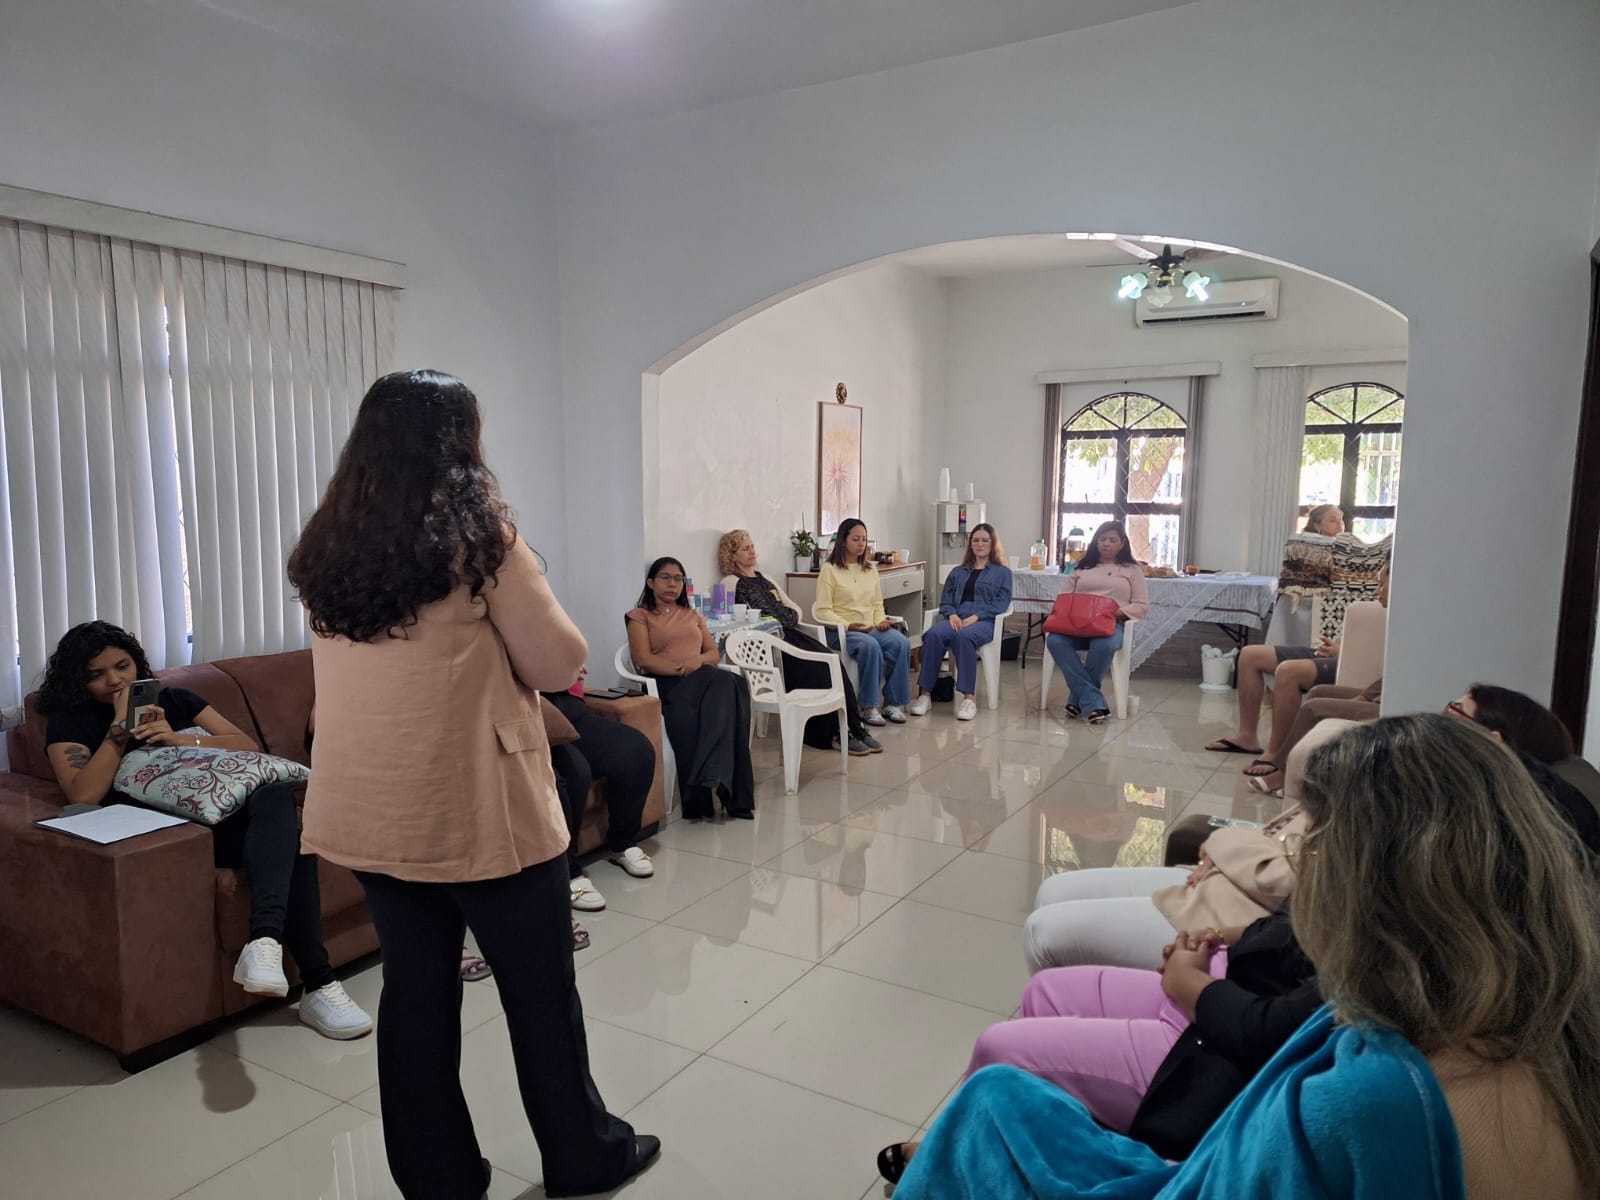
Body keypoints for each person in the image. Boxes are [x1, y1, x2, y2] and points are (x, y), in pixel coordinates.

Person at [890, 715, 1600, 1199]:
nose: (1303, 858)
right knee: (1024, 1035)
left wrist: (1193, 987)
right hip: (1223, 998)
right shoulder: (1518, 1017)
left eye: (1318, 841)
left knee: (994, 1094)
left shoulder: (1374, 1100)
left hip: (1211, 1061)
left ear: (1377, 882)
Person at [287, 370, 656, 1199]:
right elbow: (561, 662)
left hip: (370, 807)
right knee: (540, 994)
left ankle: (439, 1178)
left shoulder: (328, 545)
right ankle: (584, 1156)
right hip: (472, 807)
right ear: (461, 444)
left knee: (415, 998)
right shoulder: (478, 541)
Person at [1024, 680, 1600, 976]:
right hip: (1243, 878)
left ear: (1492, 745)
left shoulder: (1440, 825)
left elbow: (1294, 878)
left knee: (1045, 930)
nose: (1436, 715)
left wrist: (1222, 846)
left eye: (1455, 714)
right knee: (1051, 890)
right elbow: (1294, 841)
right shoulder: (1431, 787)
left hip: (1250, 915)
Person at [38, 621, 373, 1041]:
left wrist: (179, 740)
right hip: (179, 837)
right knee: (288, 838)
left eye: (122, 666)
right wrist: (120, 730)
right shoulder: (70, 721)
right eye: (96, 674)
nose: (114, 680)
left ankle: (267, 945)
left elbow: (246, 746)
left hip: (232, 821)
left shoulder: (175, 699)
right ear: (77, 679)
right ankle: (318, 983)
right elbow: (83, 793)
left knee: (275, 800)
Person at [877, 910, 1319, 1180]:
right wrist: (1213, 937)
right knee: (1044, 991)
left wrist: (1188, 980)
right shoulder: (1344, 872)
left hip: (1217, 1045)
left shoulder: (1371, 949)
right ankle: (1036, 1141)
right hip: (1224, 978)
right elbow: (1289, 922)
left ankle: (950, 1159)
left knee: (999, 1048)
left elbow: (1267, 1030)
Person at [1206, 562, 1387, 774]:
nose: (1377, 590)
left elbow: (1377, 657)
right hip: (1336, 652)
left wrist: (1341, 651)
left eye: (1382, 583)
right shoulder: (1380, 608)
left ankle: (1276, 752)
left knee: (1288, 671)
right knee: (1250, 655)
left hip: (1346, 660)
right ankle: (1247, 736)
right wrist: (1337, 645)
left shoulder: (1405, 616)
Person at [719, 528, 881, 755]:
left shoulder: (764, 578)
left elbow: (795, 610)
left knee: (833, 662)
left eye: (752, 546)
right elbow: (751, 617)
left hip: (790, 634)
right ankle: (831, 734)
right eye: (745, 548)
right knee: (821, 669)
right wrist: (784, 616)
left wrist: (786, 616)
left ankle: (855, 727)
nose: (752, 551)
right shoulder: (731, 582)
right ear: (732, 555)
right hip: (770, 644)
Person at [626, 556, 755, 819]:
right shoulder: (639, 616)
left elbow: (711, 654)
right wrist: (679, 668)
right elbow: (643, 659)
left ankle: (710, 776)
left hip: (701, 680)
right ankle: (732, 794)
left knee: (730, 684)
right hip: (668, 685)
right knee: (732, 683)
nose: (672, 584)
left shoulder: (692, 614)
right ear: (651, 582)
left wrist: (695, 662)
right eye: (665, 577)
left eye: (678, 579)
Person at [545, 667, 657, 913]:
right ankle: (567, 871)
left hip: (571, 712)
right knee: (574, 774)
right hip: (535, 718)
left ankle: (622, 843)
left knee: (635, 750)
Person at [1044, 520, 1148, 723]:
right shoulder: (1082, 567)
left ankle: (1078, 699)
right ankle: (1093, 701)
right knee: (1055, 640)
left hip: (1110, 625)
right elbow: (1065, 598)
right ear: (1096, 542)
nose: (1106, 544)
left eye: (1112, 540)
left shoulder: (1132, 570)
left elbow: (1141, 605)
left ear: (1122, 544)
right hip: (1077, 625)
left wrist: (1113, 613)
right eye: (1102, 539)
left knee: (1104, 644)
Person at [909, 524, 1013, 721]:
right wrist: (951, 615)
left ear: (993, 544)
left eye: (984, 540)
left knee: (964, 636)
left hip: (985, 620)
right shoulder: (958, 571)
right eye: (976, 540)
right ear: (970, 544)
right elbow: (945, 600)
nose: (980, 544)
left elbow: (1002, 602)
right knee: (933, 634)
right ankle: (924, 695)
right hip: (957, 616)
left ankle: (969, 698)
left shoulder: (1003, 573)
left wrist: (978, 616)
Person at [815, 518, 911, 725]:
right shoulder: (829, 570)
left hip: (871, 627)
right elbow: (823, 611)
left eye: (864, 539)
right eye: (856, 539)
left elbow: (877, 603)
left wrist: (880, 621)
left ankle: (892, 703)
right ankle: (869, 705)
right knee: (871, 646)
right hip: (843, 631)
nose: (861, 544)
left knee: (900, 642)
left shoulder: (870, 569)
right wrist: (849, 625)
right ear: (843, 541)